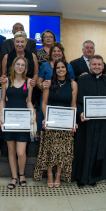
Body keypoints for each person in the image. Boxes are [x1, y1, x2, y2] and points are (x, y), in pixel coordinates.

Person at [72, 55, 106, 188]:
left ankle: (94, 177)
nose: (97, 67)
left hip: (102, 124)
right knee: (83, 149)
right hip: (85, 123)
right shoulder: (81, 80)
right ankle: (81, 178)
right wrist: (80, 112)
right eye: (94, 64)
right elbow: (76, 101)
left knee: (100, 149)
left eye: (99, 64)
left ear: (103, 66)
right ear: (90, 65)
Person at [33, 59, 78, 187]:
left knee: (62, 150)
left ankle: (58, 174)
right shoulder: (48, 83)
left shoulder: (73, 84)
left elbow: (73, 104)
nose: (60, 69)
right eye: (58, 67)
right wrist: (46, 119)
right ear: (55, 70)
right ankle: (49, 174)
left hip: (66, 123)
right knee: (50, 149)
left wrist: (73, 121)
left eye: (63, 67)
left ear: (67, 69)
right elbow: (44, 103)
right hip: (51, 122)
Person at [0, 56, 35, 189]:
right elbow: (3, 100)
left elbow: (29, 101)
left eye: (23, 65)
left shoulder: (29, 82)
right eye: (18, 64)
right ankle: (14, 177)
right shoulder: (6, 81)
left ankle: (22, 174)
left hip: (23, 121)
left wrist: (33, 114)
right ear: (13, 66)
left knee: (21, 152)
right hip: (9, 120)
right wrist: (0, 116)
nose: (20, 67)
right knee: (11, 150)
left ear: (26, 68)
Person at [36, 42, 75, 132]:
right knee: (47, 125)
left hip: (64, 98)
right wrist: (42, 85)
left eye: (59, 51)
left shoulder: (68, 66)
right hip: (48, 97)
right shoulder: (45, 65)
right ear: (50, 53)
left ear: (62, 52)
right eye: (54, 51)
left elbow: (72, 83)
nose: (56, 53)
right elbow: (38, 82)